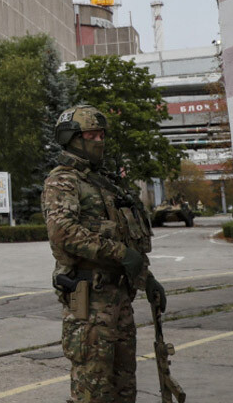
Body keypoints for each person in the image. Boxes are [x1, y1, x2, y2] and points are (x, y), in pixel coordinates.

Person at [42, 105, 164, 403]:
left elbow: (125, 238)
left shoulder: (103, 183)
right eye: (91, 135)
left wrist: (146, 280)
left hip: (119, 297)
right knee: (92, 389)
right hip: (89, 300)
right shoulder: (63, 180)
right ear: (72, 139)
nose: (99, 141)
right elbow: (64, 232)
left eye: (101, 134)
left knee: (124, 388)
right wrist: (121, 253)